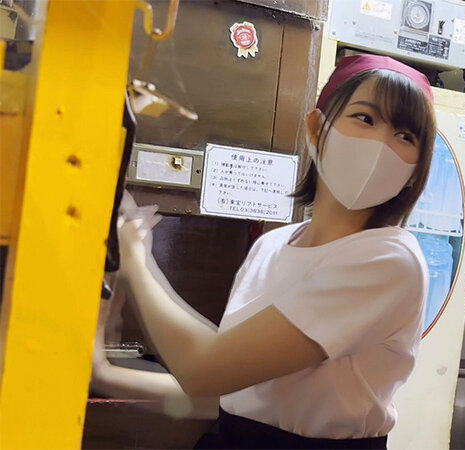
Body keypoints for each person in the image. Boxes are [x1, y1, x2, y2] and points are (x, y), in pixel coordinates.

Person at [91, 54, 437, 449]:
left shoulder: (389, 259)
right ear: (316, 129)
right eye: (365, 118)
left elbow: (206, 371)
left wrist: (136, 259)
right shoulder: (272, 245)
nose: (380, 145)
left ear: (416, 171)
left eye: (405, 136)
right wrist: (105, 374)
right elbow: (228, 391)